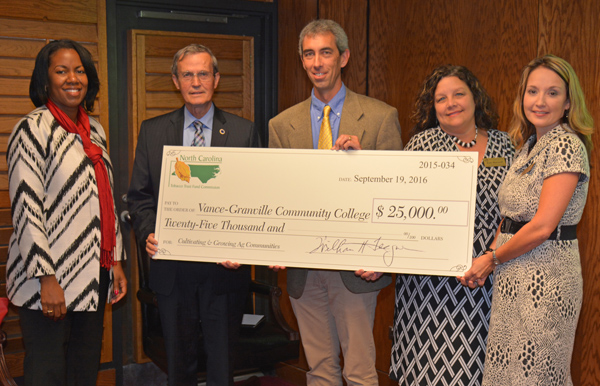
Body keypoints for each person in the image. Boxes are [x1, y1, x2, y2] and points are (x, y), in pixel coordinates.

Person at [269, 19, 402, 386]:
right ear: (302, 60)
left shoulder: (379, 117)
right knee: (319, 371)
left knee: (359, 371)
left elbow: (395, 195)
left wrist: (365, 164)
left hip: (356, 267)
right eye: (309, 54)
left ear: (343, 57)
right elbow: (277, 195)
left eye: (325, 52)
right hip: (303, 268)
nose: (317, 62)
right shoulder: (281, 125)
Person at [127, 44, 259, 386]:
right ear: (176, 81)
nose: (195, 81)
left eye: (203, 74)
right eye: (187, 74)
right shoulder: (152, 131)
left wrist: (242, 246)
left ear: (216, 79)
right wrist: (147, 233)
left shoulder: (244, 132)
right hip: (173, 270)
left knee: (222, 365)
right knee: (179, 366)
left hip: (224, 271)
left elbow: (257, 198)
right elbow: (139, 197)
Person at [461, 55, 593, 385]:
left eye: (552, 93)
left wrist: (490, 259)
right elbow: (510, 218)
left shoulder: (566, 145)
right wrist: (490, 256)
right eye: (533, 91)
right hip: (512, 275)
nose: (540, 101)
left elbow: (542, 225)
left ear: (567, 103)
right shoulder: (527, 145)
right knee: (506, 373)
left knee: (533, 375)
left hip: (545, 278)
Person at [6, 39, 128, 386]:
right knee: (47, 374)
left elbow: (103, 201)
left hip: (92, 275)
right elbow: (26, 209)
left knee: (82, 370)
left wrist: (115, 260)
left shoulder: (95, 131)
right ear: (46, 80)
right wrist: (47, 278)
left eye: (79, 70)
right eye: (61, 71)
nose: (72, 78)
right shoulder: (32, 129)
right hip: (47, 282)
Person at [389, 65, 513, 386]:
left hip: (490, 276)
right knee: (430, 370)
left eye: (459, 94)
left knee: (482, 371)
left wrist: (491, 256)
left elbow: (516, 210)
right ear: (433, 108)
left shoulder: (504, 145)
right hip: (430, 288)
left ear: (475, 98)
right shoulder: (421, 145)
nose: (451, 103)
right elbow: (398, 205)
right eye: (441, 98)